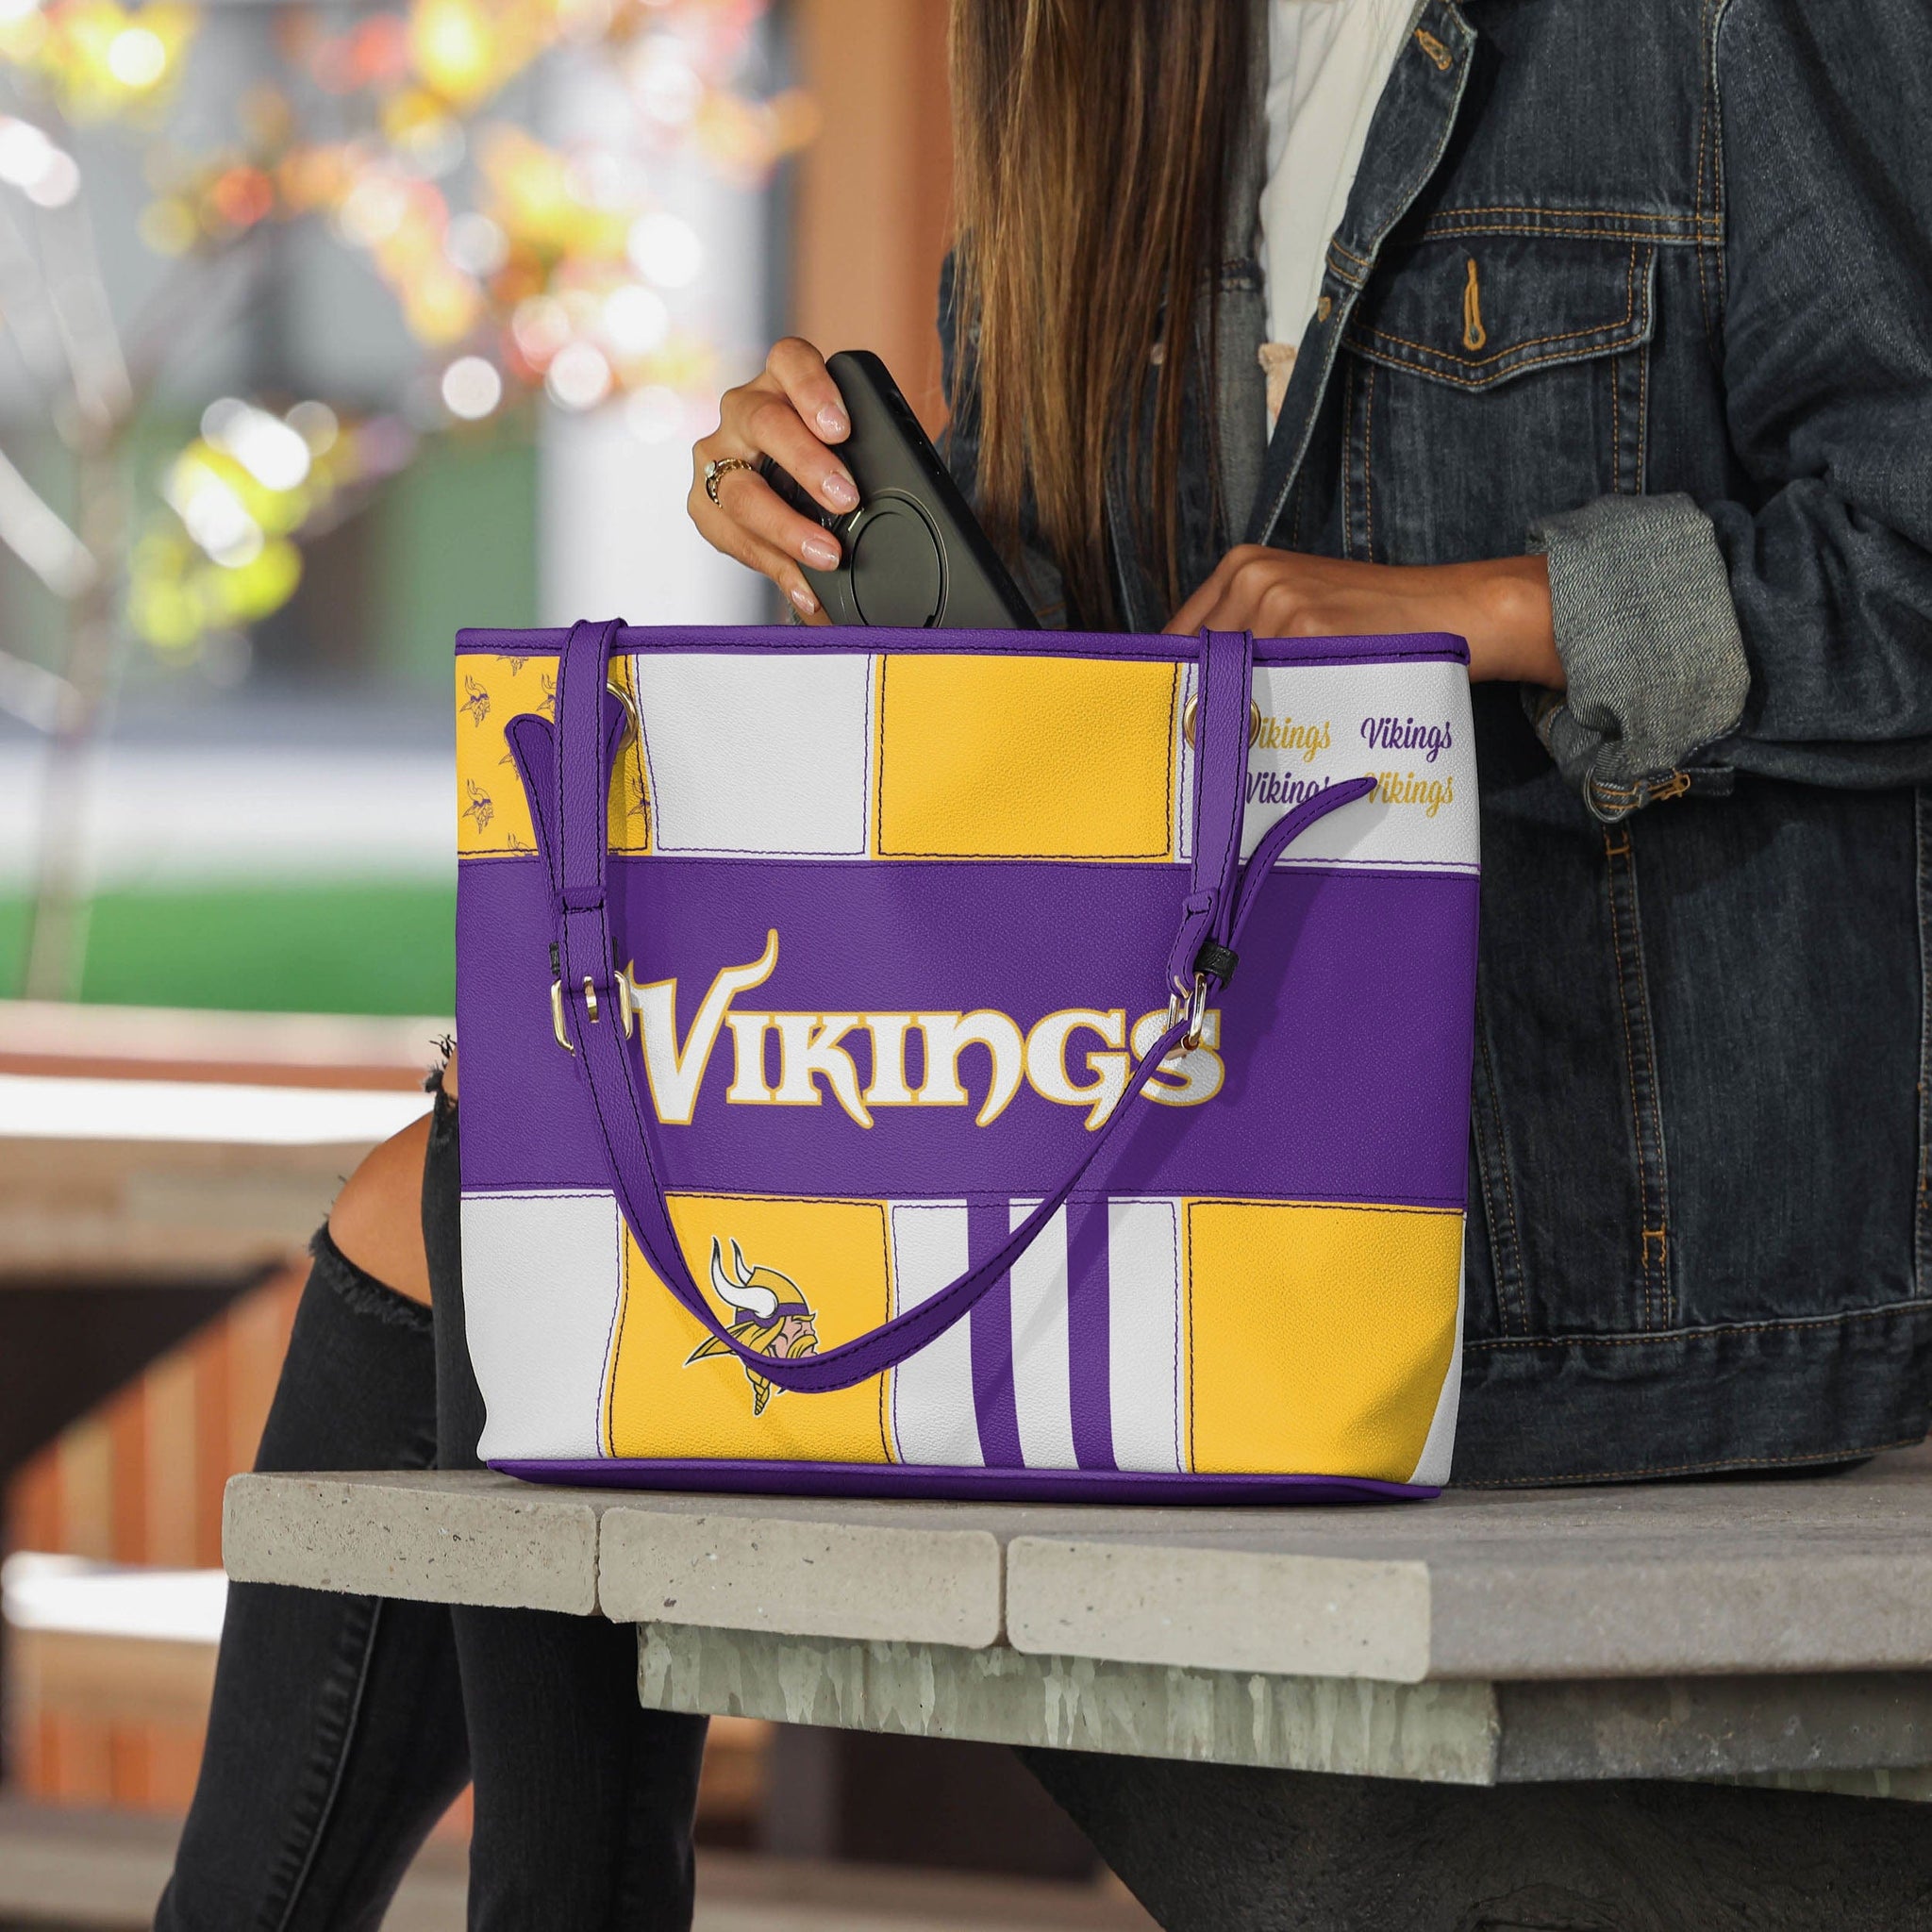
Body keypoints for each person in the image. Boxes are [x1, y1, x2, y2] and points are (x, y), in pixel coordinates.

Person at [160, 0, 1932, 1924]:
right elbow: (1067, 754)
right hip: (1181, 1178)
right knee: (492, 1182)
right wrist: (857, 547)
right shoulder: (1094, 58)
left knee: (487, 1223)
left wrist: (1482, 613)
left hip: (1601, 1288)